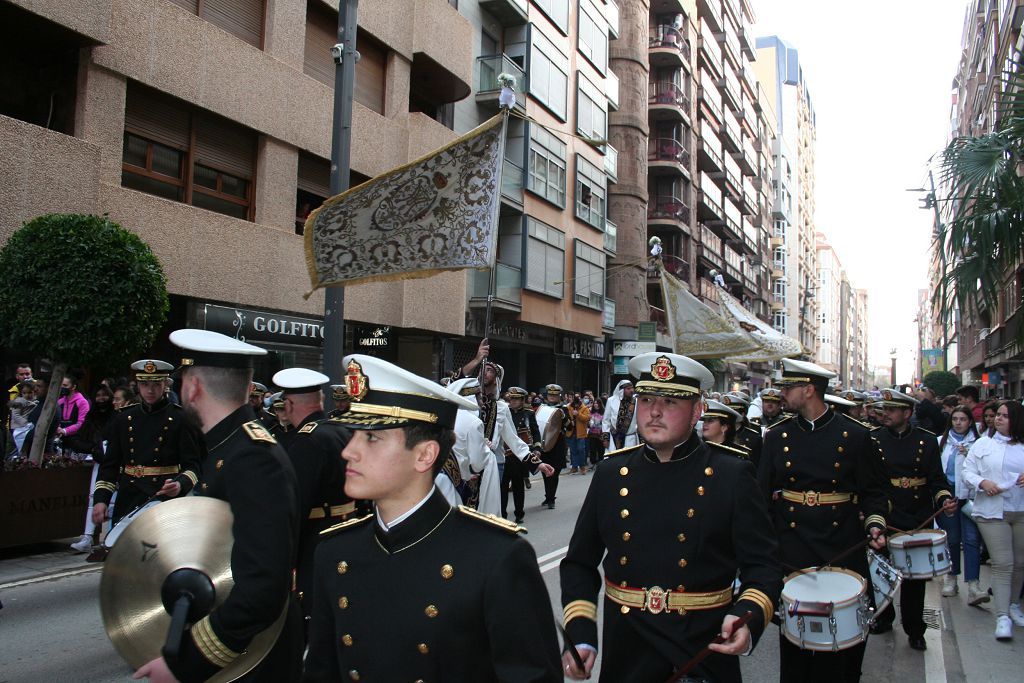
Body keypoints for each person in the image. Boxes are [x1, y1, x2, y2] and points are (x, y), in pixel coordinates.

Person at [302, 354, 562, 682]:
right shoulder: (334, 553)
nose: (348, 451)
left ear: (425, 454)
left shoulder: (497, 558)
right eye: (353, 434)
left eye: (371, 437)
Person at [560, 352, 781, 682]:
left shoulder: (731, 474)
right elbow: (579, 562)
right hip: (628, 650)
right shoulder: (611, 473)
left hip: (702, 651)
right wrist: (581, 634)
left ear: (698, 411)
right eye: (646, 399)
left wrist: (746, 617)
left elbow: (762, 564)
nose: (655, 411)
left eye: (670, 402)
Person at [133, 330, 302, 683]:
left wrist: (188, 662)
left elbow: (261, 589)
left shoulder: (251, 457)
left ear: (192, 388)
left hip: (254, 661)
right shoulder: (233, 447)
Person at [759, 358, 890, 683]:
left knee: (842, 647)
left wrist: (875, 524)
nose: (782, 394)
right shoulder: (777, 436)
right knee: (795, 642)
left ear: (808, 390)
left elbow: (874, 491)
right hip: (792, 547)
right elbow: (760, 495)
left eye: (789, 388)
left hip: (841, 546)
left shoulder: (856, 435)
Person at [869, 389, 955, 650]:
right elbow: (870, 482)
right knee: (880, 572)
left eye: (892, 410)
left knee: (915, 578)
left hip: (917, 515)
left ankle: (915, 629)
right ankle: (883, 617)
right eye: (884, 409)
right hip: (886, 513)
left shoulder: (926, 441)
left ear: (907, 413)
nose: (885, 414)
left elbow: (937, 480)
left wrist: (943, 500)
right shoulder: (873, 439)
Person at [90, 361, 203, 537]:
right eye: (144, 384)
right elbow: (110, 466)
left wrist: (180, 484)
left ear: (165, 384)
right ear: (138, 386)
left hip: (163, 496)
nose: (150, 390)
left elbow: (194, 465)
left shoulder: (180, 418)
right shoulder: (124, 418)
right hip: (129, 495)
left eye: (156, 384)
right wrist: (101, 500)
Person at [963, 400, 1024, 641]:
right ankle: (1002, 616)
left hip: (1020, 510)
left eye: (1005, 416)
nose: (998, 419)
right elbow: (968, 471)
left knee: (1020, 563)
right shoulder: (983, 443)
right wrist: (982, 482)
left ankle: (1012, 605)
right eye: (997, 415)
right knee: (1003, 563)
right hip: (991, 512)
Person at [938, 405, 988, 604]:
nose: (958, 423)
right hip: (948, 495)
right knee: (951, 539)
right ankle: (951, 578)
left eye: (963, 419)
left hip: (970, 497)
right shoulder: (940, 442)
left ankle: (974, 584)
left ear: (970, 422)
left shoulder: (980, 443)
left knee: (971, 539)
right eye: (955, 419)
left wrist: (969, 455)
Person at [67, 386, 118, 553]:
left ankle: (112, 537)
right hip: (100, 462)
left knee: (115, 501)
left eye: (106, 396)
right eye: (98, 395)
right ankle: (88, 536)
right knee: (93, 498)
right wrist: (93, 449)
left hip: (120, 463)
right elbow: (79, 440)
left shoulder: (120, 417)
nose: (102, 399)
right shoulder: (92, 417)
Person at [502, 386, 554, 522]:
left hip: (520, 455)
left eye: (515, 399)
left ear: (522, 400)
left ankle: (519, 514)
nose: (512, 401)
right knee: (502, 486)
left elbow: (535, 432)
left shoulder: (528, 413)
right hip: (505, 453)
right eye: (511, 398)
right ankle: (502, 515)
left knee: (518, 485)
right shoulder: (504, 411)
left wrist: (537, 448)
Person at [537, 383, 571, 509]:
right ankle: (548, 496)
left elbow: (570, 427)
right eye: (550, 395)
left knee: (555, 472)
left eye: (554, 395)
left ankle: (551, 498)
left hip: (557, 444)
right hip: (544, 443)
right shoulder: (542, 408)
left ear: (559, 396)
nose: (552, 397)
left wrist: (564, 418)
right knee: (545, 471)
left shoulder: (563, 409)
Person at [56, 370, 90, 455]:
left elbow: (81, 423)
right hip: (61, 440)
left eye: (65, 385)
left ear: (73, 387)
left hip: (77, 441)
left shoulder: (82, 402)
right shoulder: (60, 402)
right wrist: (58, 428)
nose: (62, 387)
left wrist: (64, 431)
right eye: (61, 385)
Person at [723, 392, 762, 466]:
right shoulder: (718, 434)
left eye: (733, 411)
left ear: (742, 414)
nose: (729, 415)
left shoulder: (753, 438)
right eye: (727, 411)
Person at [602, 379, 638, 450]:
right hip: (614, 438)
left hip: (631, 439)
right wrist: (605, 438)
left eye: (632, 388)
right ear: (621, 390)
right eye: (628, 389)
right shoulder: (611, 401)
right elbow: (606, 421)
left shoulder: (636, 401)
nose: (631, 390)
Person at [567, 393, 591, 474]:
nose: (576, 405)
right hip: (571, 432)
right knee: (573, 450)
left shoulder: (584, 408)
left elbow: (587, 418)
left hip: (581, 433)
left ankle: (582, 467)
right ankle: (574, 467)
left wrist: (578, 414)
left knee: (581, 450)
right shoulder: (568, 407)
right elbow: (565, 417)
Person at [587, 398, 606, 466]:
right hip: (592, 434)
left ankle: (600, 462)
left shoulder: (604, 412)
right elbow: (589, 423)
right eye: (595, 403)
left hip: (600, 434)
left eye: (597, 403)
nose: (596, 404)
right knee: (592, 449)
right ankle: (593, 462)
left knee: (600, 449)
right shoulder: (591, 412)